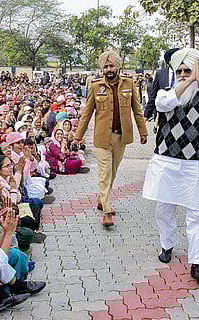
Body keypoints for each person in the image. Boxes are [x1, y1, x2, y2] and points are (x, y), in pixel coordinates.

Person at [142, 48, 199, 281]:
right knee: (164, 210)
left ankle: (198, 263)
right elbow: (164, 104)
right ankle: (166, 246)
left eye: (188, 70)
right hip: (167, 163)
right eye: (179, 71)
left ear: (197, 71)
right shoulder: (166, 93)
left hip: (195, 165)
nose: (183, 74)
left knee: (198, 215)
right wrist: (186, 81)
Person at [73, 50, 148, 227]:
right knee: (104, 173)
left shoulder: (130, 83)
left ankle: (101, 199)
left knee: (112, 172)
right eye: (106, 66)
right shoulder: (95, 86)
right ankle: (107, 211)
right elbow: (86, 114)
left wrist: (143, 131)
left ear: (118, 66)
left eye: (111, 65)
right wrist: (77, 137)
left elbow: (137, 110)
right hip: (102, 138)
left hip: (121, 136)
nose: (109, 69)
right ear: (102, 68)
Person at [144, 48, 180, 120]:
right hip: (164, 117)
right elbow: (153, 95)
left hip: (182, 115)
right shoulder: (160, 74)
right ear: (169, 61)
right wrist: (146, 115)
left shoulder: (186, 73)